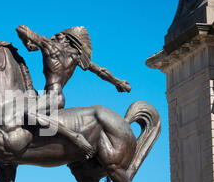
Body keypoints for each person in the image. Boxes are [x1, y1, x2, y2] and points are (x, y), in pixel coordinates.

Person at [16, 25, 131, 159]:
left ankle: (75, 137)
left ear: (67, 39)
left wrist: (28, 41)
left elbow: (21, 29)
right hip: (58, 97)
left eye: (58, 35)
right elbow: (101, 71)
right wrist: (118, 82)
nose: (53, 37)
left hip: (51, 96)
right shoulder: (76, 57)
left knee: (29, 113)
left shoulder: (50, 47)